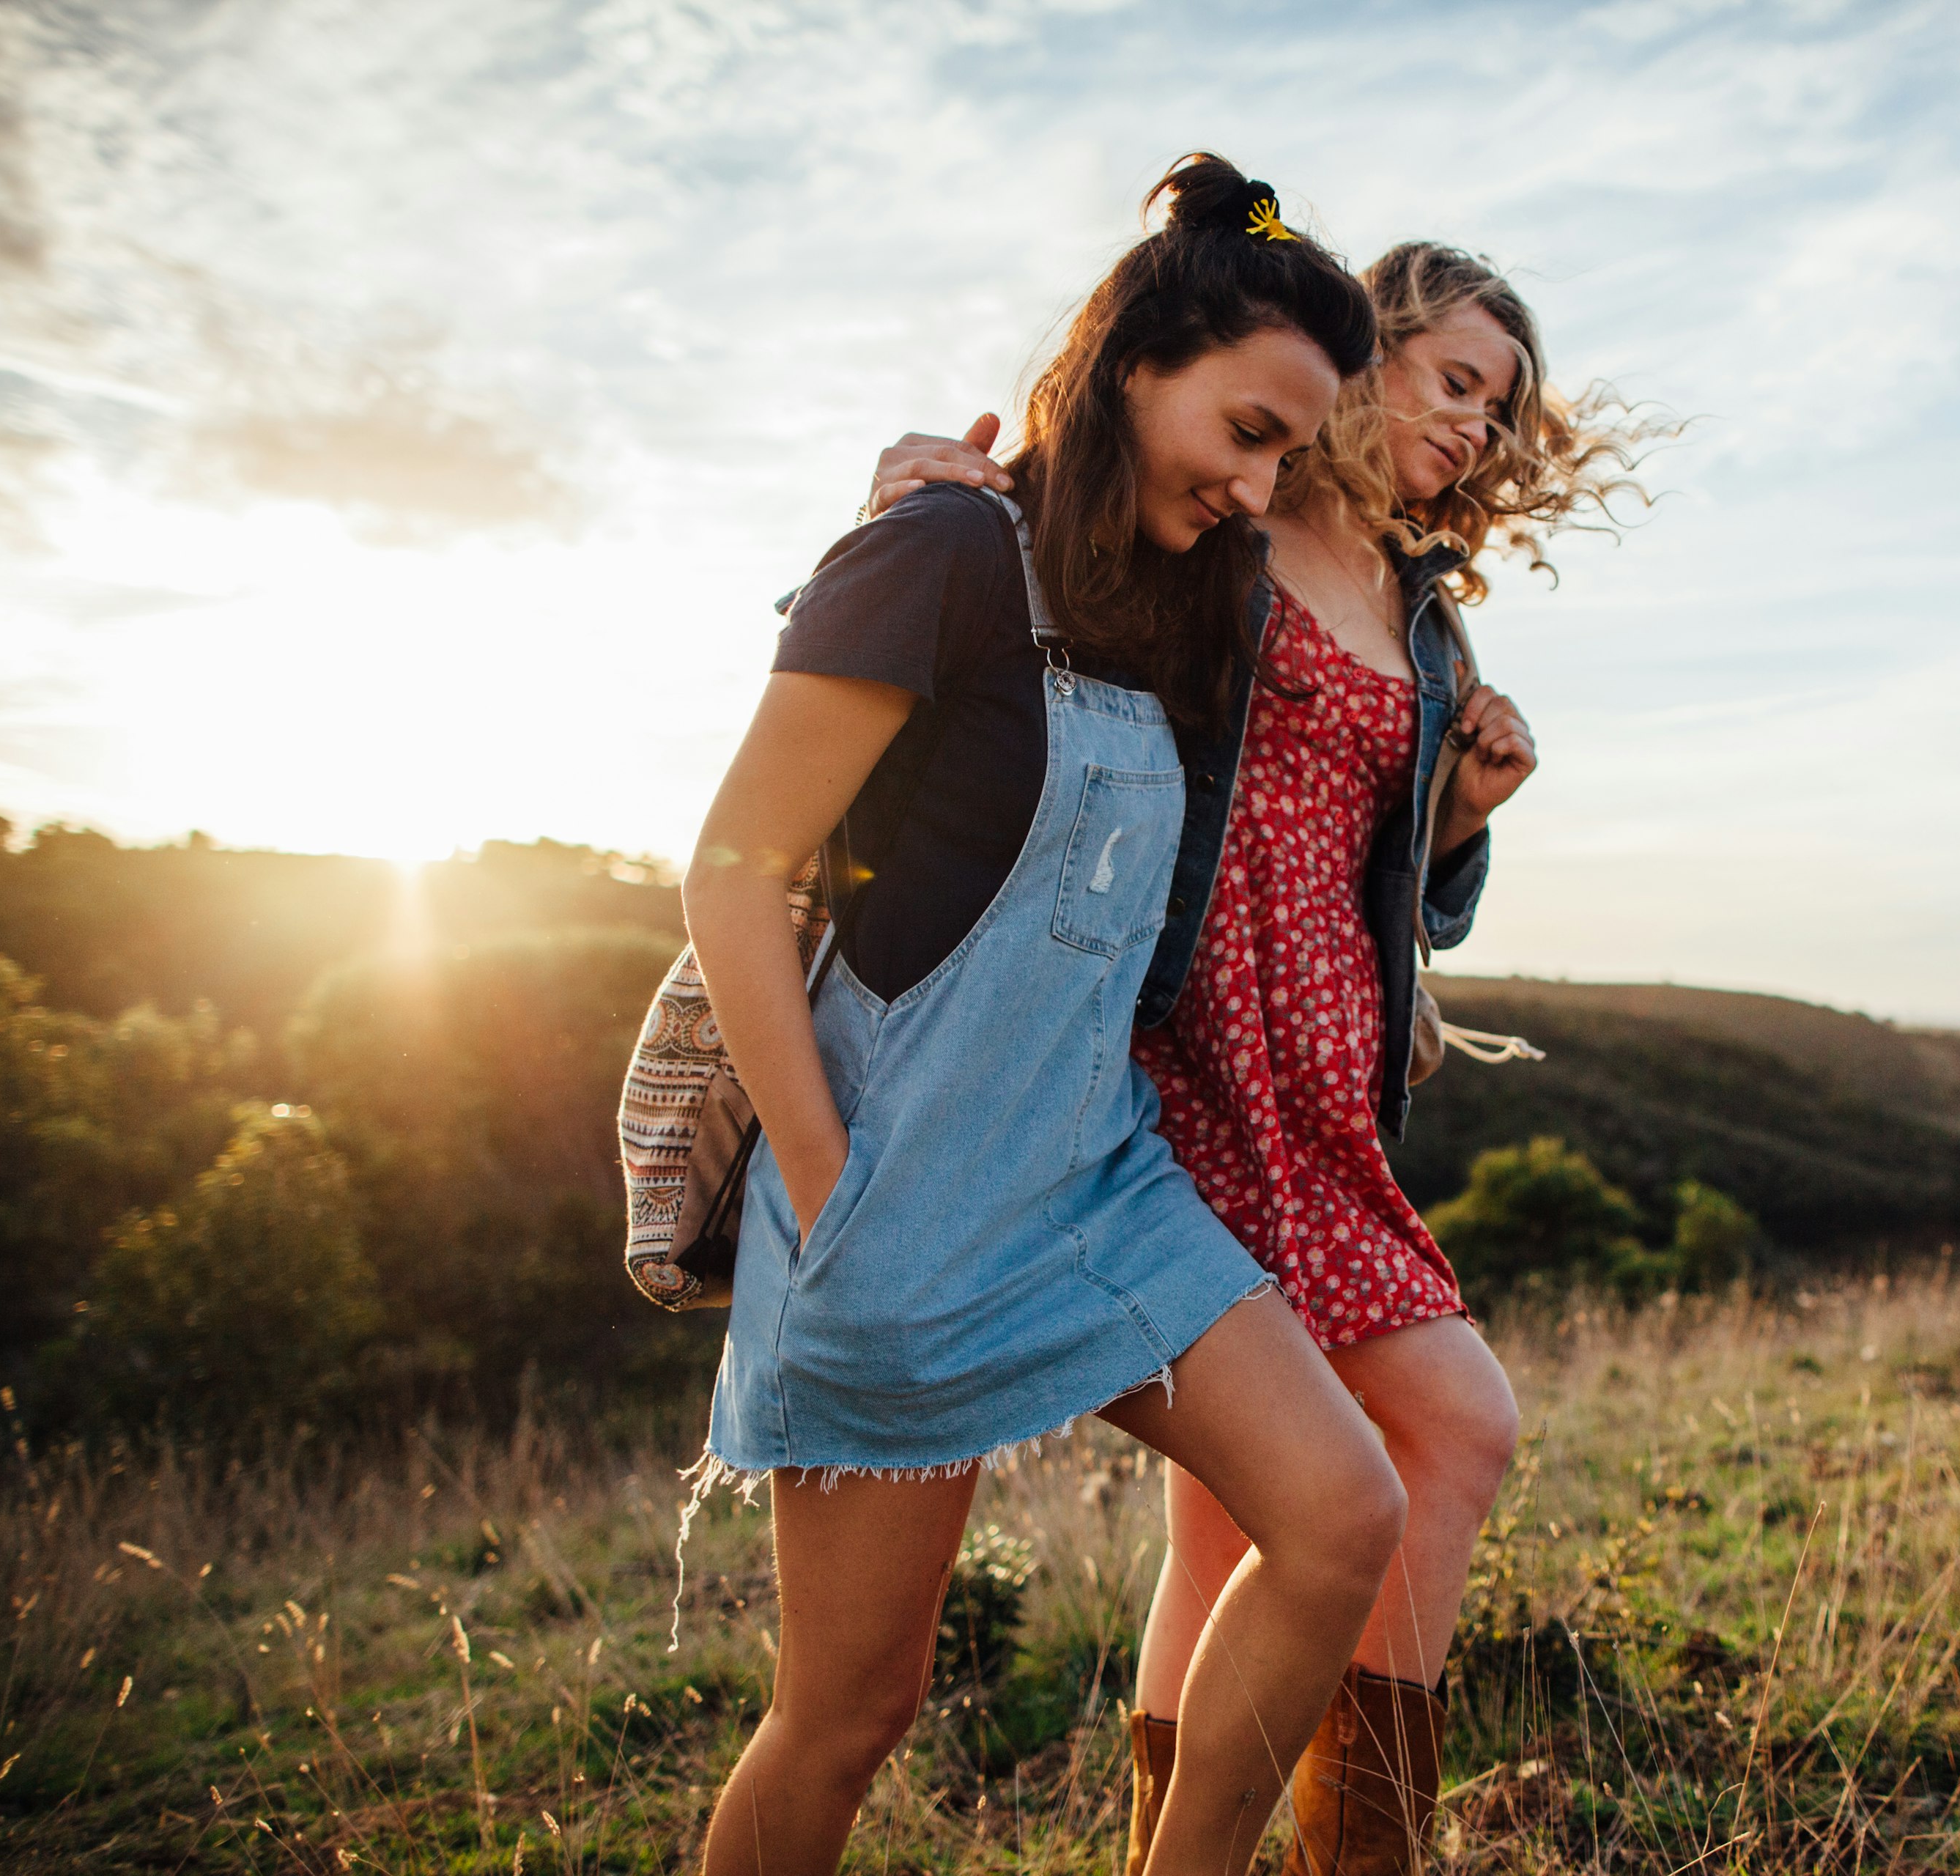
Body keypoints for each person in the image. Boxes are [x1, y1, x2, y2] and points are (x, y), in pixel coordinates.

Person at [859, 241, 1658, 1875]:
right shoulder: (1220, 522)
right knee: (1455, 1420)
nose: (1477, 428)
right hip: (1173, 1052)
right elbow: (1040, 546)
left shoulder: (1426, 623)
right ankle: (1348, 1859)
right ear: (1369, 356)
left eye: (1500, 408)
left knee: (1236, 1518)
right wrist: (929, 493)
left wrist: (1460, 821)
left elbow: (1403, 886)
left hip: (1326, 1079)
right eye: (1454, 379)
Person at [682, 155, 1408, 1876]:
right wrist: (827, 1177)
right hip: (894, 1201)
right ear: (1133, 364)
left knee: (1340, 1508)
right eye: (1242, 430)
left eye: (1285, 459)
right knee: (851, 1715)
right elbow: (730, 870)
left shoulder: (1186, 602)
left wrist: (1450, 818)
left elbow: (1351, 748)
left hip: (1097, 1185)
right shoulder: (936, 548)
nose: (1255, 485)